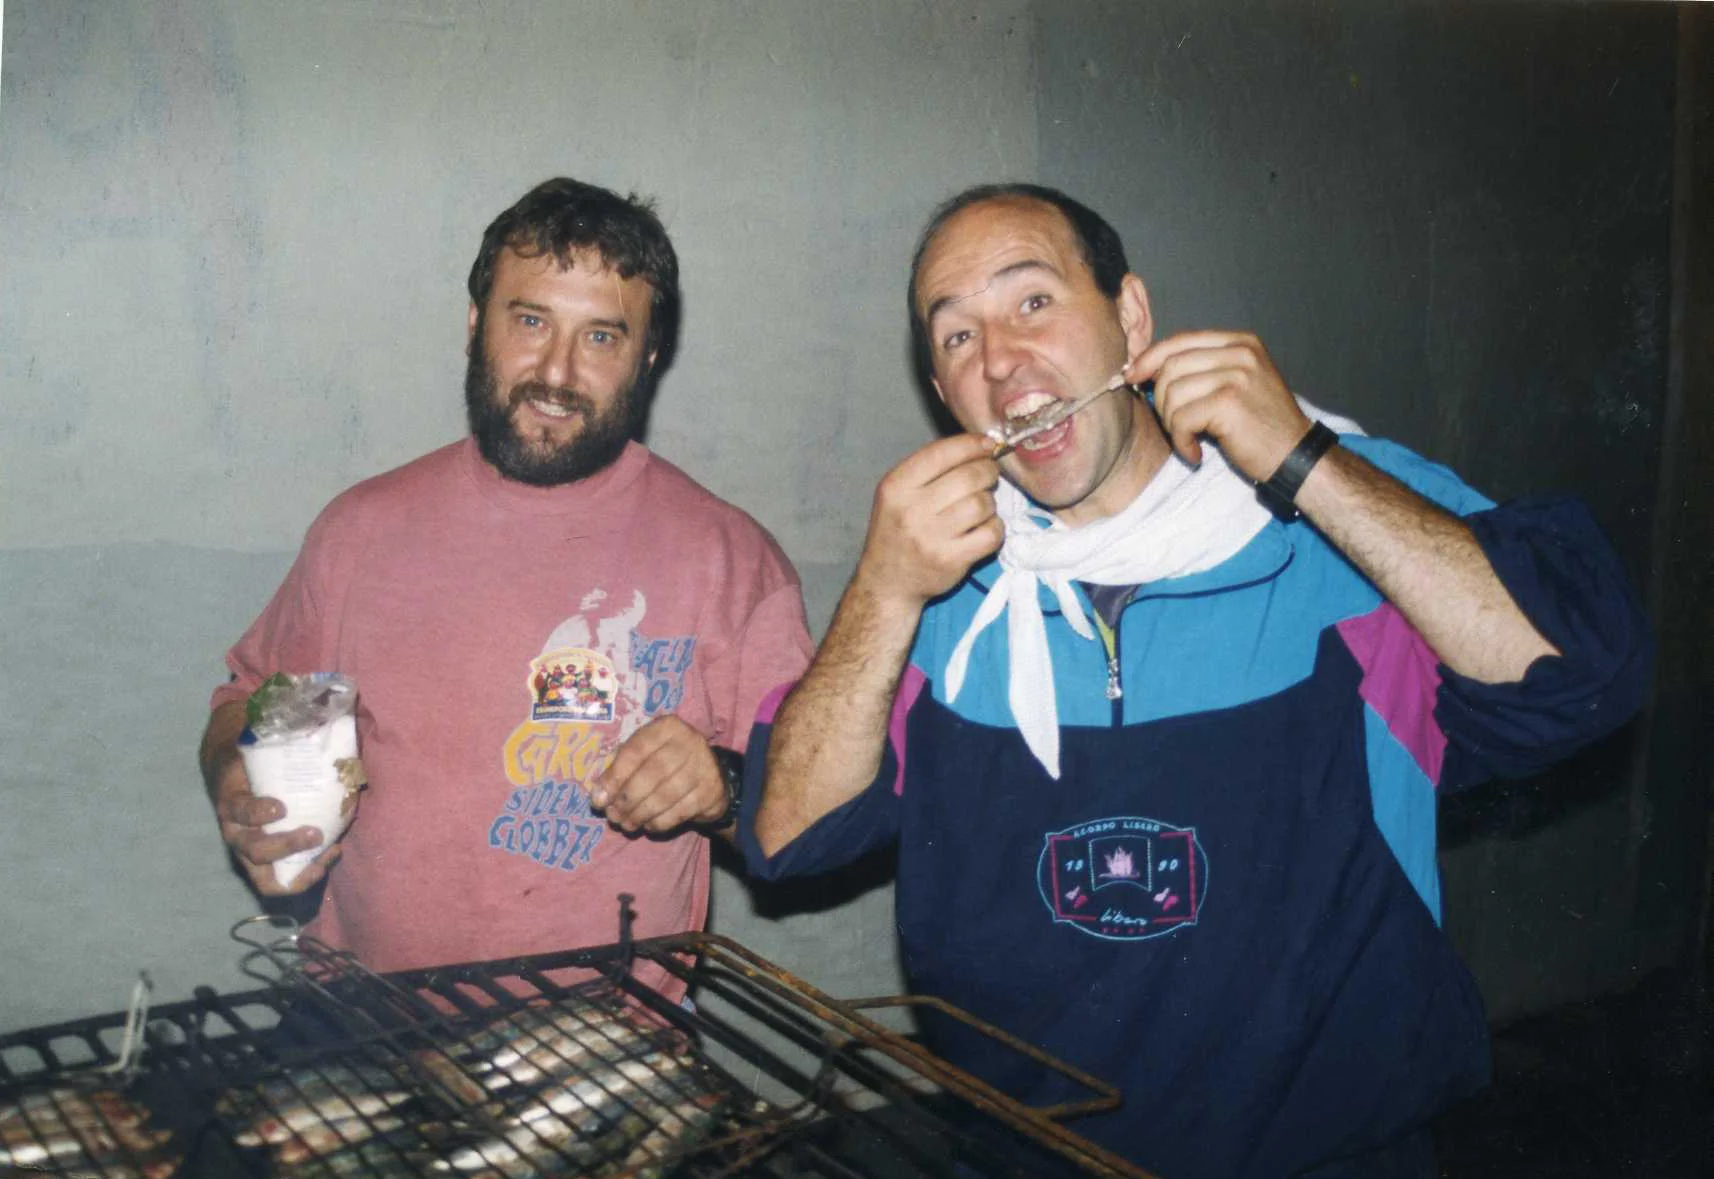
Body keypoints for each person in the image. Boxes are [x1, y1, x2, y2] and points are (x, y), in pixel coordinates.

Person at [739, 183, 1649, 1178]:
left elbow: (1580, 676)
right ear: (940, 389)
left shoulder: (1340, 521)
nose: (998, 360)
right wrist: (881, 591)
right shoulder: (935, 584)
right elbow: (788, 837)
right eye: (957, 336)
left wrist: (1304, 461)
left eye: (1032, 300)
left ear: (1130, 318)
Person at [200, 178, 813, 1000]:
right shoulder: (359, 531)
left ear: (649, 357)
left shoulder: (730, 559)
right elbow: (248, 696)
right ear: (473, 325)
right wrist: (235, 777)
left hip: (603, 1041)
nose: (557, 372)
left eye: (601, 336)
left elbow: (810, 813)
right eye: (530, 321)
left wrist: (723, 784)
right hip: (358, 1017)